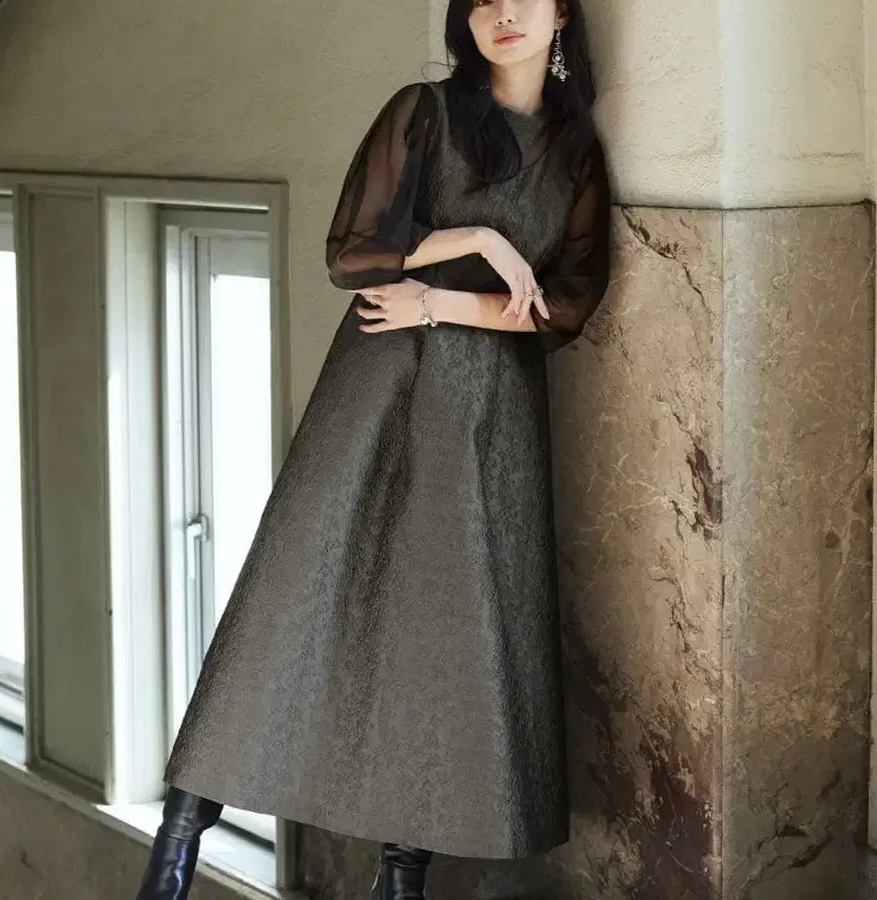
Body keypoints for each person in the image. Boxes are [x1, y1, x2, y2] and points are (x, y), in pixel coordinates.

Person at [134, 1, 611, 898]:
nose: (503, 13)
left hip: (487, 414)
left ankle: (401, 881)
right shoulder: (424, 113)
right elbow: (352, 253)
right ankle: (177, 843)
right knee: (289, 599)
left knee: (448, 633)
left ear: (561, 13)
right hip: (376, 384)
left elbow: (569, 304)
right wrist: (479, 238)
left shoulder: (577, 152)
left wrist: (441, 302)